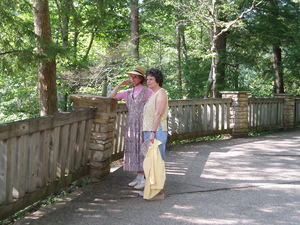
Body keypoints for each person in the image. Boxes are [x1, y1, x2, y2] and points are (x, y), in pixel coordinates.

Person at [109, 66, 153, 189]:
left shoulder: (147, 91)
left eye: (135, 77)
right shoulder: (128, 92)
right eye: (131, 77)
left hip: (142, 123)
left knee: (142, 150)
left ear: (140, 78)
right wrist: (120, 84)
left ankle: (144, 178)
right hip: (131, 124)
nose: (132, 79)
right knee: (133, 149)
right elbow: (111, 97)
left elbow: (155, 103)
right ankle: (139, 177)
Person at [142, 68, 169, 199]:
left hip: (157, 131)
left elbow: (158, 114)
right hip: (150, 131)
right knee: (151, 162)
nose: (148, 81)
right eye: (147, 79)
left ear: (157, 80)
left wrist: (152, 132)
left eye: (151, 79)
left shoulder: (161, 93)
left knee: (157, 162)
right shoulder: (153, 94)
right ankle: (152, 190)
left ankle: (159, 192)